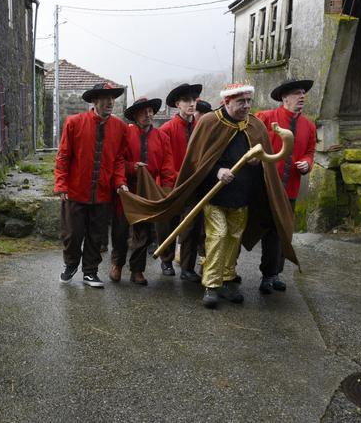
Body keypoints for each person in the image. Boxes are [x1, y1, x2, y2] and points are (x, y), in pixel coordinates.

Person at [120, 83, 298, 309]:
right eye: (241, 101)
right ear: (227, 102)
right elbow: (197, 162)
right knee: (218, 235)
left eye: (248, 101)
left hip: (242, 196)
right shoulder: (209, 122)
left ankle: (226, 280)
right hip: (214, 197)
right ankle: (212, 286)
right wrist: (217, 171)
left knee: (234, 237)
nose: (246, 106)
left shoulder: (255, 125)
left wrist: (258, 161)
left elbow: (266, 161)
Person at [55, 82, 128, 288]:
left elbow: (119, 160)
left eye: (113, 98)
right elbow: (63, 156)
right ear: (94, 101)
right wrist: (61, 184)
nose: (110, 102)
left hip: (103, 192)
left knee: (96, 236)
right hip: (75, 191)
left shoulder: (120, 128)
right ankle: (70, 265)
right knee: (72, 233)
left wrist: (120, 182)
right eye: (105, 98)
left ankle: (90, 272)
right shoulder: (74, 123)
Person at [255, 79, 316, 293]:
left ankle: (274, 274)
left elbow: (310, 151)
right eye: (296, 93)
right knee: (267, 230)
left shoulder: (309, 125)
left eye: (303, 93)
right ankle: (262, 274)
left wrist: (307, 163)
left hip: (290, 188)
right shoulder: (266, 117)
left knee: (284, 232)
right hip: (266, 188)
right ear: (284, 98)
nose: (301, 97)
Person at [110, 96, 175, 286]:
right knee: (121, 229)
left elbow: (167, 167)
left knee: (143, 230)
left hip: (148, 189)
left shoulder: (162, 137)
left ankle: (137, 270)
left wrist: (165, 191)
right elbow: (118, 160)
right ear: (135, 116)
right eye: (143, 112)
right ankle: (117, 264)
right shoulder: (126, 134)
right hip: (126, 188)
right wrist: (129, 170)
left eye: (150, 111)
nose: (148, 115)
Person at [158, 83, 202, 280]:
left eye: (194, 100)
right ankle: (166, 260)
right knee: (169, 224)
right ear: (178, 104)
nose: (191, 104)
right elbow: (163, 160)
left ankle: (187, 267)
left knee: (191, 226)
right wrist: (174, 179)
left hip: (194, 185)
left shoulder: (201, 127)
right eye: (186, 101)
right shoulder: (167, 128)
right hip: (172, 185)